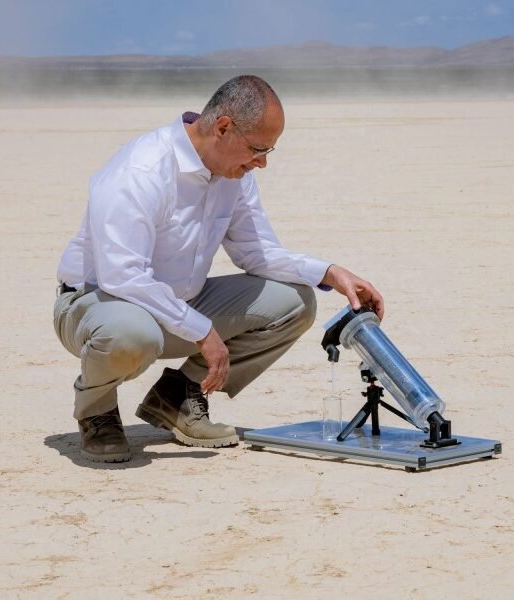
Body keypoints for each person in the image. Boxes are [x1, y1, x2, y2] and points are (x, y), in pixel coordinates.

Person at [53, 75, 383, 462]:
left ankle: (178, 397)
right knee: (131, 334)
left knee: (296, 301)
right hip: (97, 304)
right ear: (224, 128)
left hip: (178, 304)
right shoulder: (140, 169)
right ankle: (97, 410)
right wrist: (201, 329)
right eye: (258, 149)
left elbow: (256, 253)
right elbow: (121, 275)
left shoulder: (233, 174)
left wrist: (331, 273)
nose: (261, 163)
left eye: (269, 152)